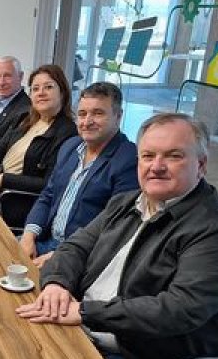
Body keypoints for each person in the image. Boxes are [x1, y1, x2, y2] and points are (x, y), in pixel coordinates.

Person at [16, 113, 218, 359]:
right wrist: (57, 285)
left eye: (173, 156)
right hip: (92, 332)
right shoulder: (126, 203)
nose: (156, 166)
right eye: (148, 156)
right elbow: (75, 247)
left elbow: (179, 310)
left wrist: (87, 313)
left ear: (201, 165)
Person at [19, 82, 139, 268]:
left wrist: (61, 255)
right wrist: (28, 236)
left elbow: (115, 228)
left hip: (80, 257)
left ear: (118, 116)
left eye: (98, 113)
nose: (87, 121)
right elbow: (48, 196)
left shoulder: (128, 159)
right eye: (82, 114)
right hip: (43, 241)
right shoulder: (70, 147)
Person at [0, 65, 78, 226]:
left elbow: (48, 184)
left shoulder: (68, 132)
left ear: (63, 92)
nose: (41, 92)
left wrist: (3, 179)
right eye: (35, 88)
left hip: (13, 199)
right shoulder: (26, 118)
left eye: (49, 87)